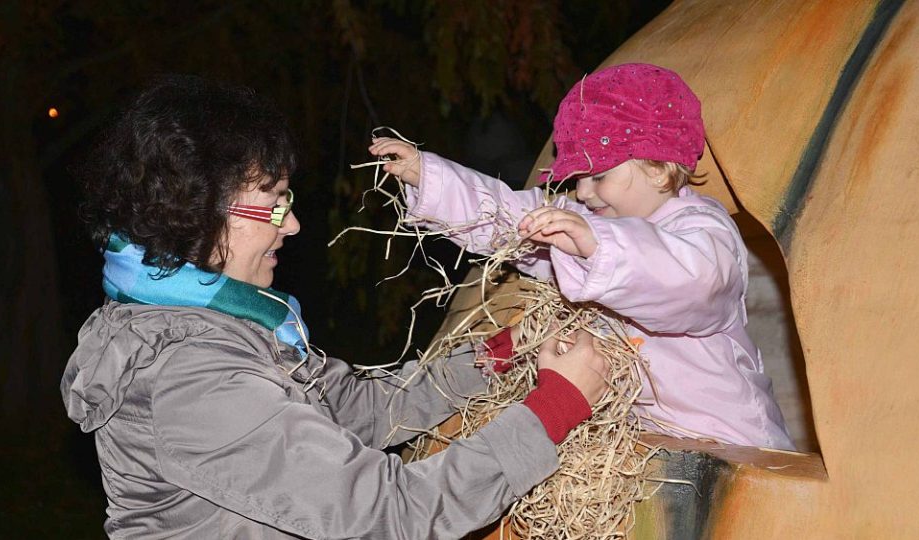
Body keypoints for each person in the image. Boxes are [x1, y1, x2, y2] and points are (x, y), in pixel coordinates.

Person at [60, 75, 613, 539]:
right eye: (274, 205)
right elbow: (392, 512)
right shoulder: (190, 373)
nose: (293, 225)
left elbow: (353, 409)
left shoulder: (218, 323)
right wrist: (554, 409)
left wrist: (493, 357)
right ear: (202, 212)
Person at [369, 63, 794, 450]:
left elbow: (694, 286)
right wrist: (431, 177)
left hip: (730, 443)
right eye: (577, 178)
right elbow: (512, 215)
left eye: (600, 175)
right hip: (644, 443)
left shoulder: (703, 229)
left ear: (659, 168)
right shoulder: (588, 219)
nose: (584, 192)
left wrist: (596, 244)